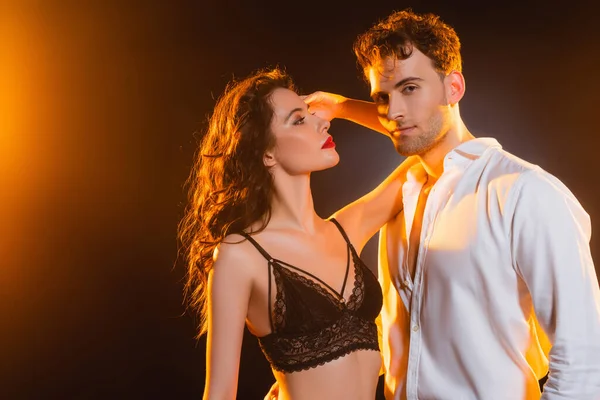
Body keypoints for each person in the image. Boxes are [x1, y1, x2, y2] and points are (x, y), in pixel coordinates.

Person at [295, 9, 600, 400]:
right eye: (382, 97)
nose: (393, 111)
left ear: (453, 88)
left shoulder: (524, 193)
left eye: (409, 88)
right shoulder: (403, 194)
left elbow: (584, 365)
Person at [178, 67, 417, 400]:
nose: (323, 123)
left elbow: (427, 144)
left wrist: (344, 106)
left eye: (312, 114)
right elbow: (219, 394)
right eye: (298, 120)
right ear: (266, 153)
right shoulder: (240, 254)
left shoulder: (348, 228)